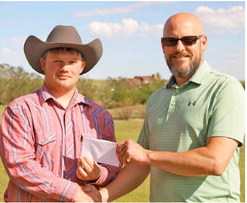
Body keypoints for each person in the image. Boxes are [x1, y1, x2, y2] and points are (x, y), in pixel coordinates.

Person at [85, 12, 245, 202]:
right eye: (171, 41)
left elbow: (215, 161)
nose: (179, 48)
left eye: (188, 40)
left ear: (203, 43)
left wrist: (148, 156)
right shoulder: (156, 99)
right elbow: (140, 164)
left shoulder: (225, 88)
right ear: (163, 46)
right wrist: (100, 197)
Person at [0, 25, 120, 202]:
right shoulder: (20, 110)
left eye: (72, 62)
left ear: (82, 66)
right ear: (43, 64)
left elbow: (113, 168)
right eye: (56, 61)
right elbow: (20, 165)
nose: (64, 68)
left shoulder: (101, 117)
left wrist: (98, 174)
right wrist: (74, 193)